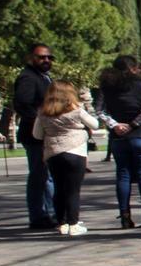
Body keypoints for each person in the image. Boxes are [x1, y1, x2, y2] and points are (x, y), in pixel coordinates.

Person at [96, 56, 141, 228]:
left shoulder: (106, 88)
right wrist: (133, 124)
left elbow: (99, 110)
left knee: (123, 175)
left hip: (119, 137)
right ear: (133, 68)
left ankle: (124, 215)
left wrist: (115, 125)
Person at [32, 81, 99, 235]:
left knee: (59, 189)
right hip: (76, 152)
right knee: (73, 190)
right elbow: (95, 124)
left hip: (54, 153)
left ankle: (62, 222)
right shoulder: (76, 110)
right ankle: (73, 223)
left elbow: (37, 135)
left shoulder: (43, 112)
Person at [14, 43, 55, 228]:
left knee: (46, 175)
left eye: (49, 57)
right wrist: (40, 122)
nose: (46, 60)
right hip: (34, 135)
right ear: (31, 58)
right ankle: (39, 216)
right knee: (39, 175)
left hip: (46, 134)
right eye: (41, 57)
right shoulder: (28, 77)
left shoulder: (44, 77)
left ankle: (51, 212)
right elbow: (22, 104)